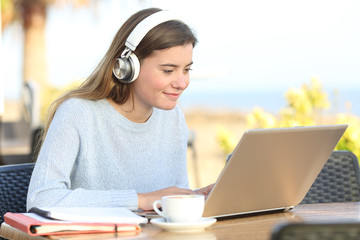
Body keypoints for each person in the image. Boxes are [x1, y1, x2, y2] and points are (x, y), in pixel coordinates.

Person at [27, 7, 213, 212]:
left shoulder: (173, 117)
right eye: (168, 70)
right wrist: (140, 200)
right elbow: (41, 199)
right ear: (127, 66)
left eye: (187, 70)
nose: (182, 82)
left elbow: (170, 198)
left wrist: (193, 197)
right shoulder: (77, 113)